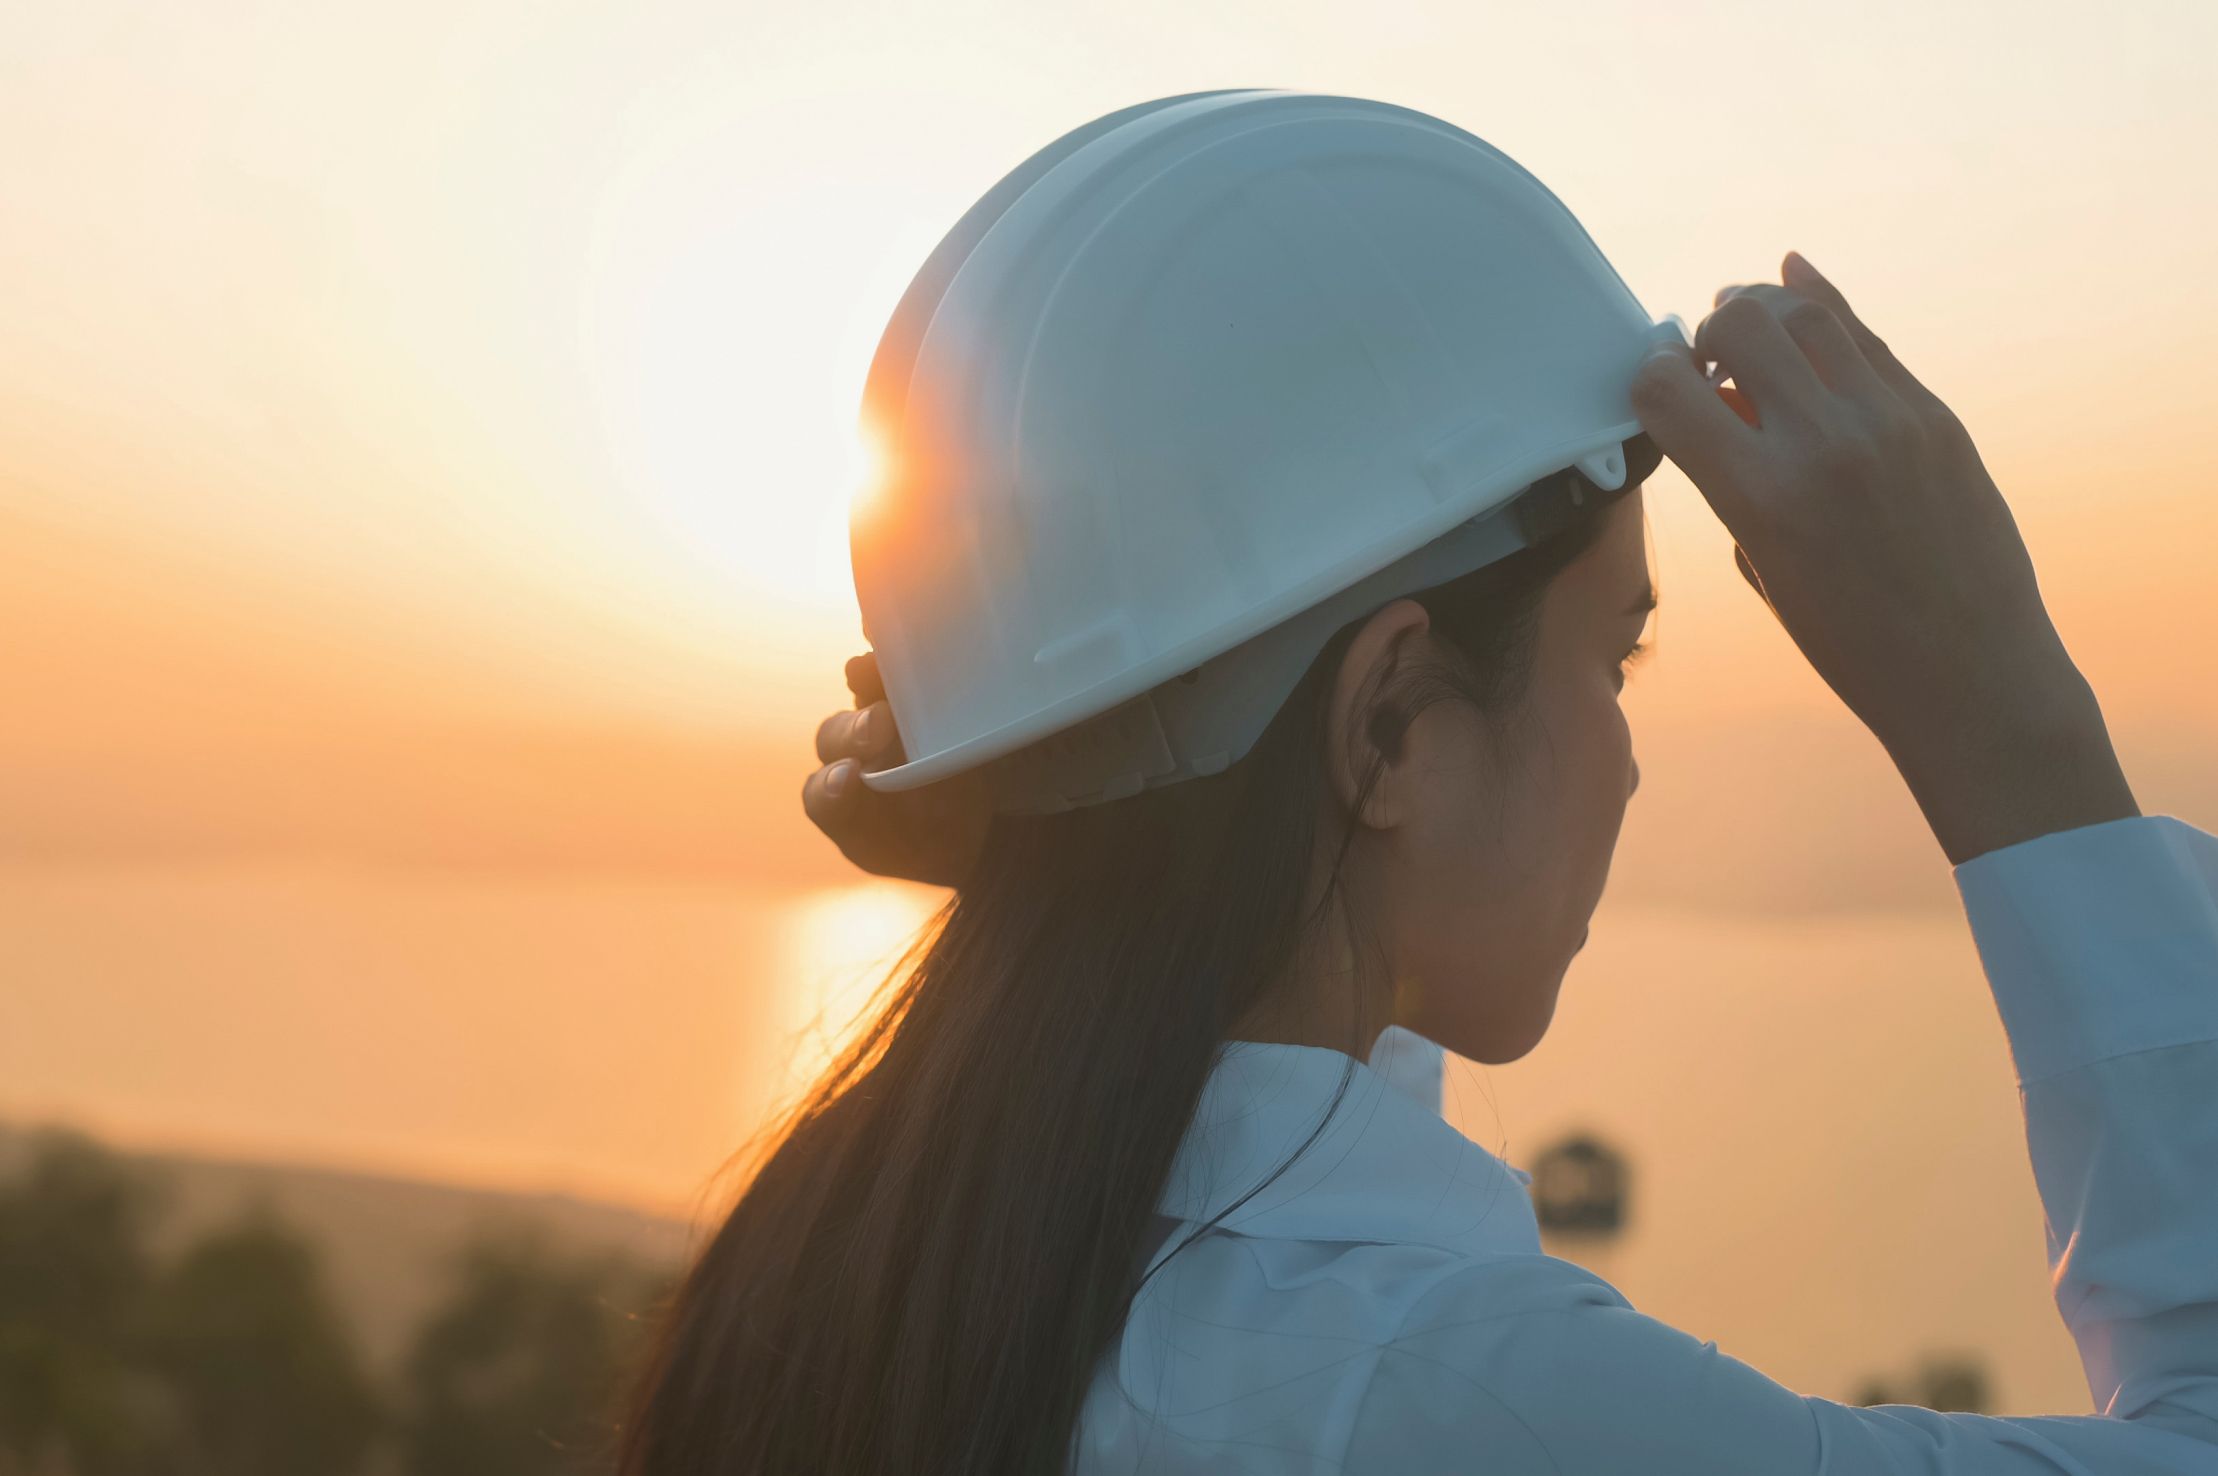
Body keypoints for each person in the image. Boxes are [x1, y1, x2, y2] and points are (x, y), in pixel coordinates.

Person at [622, 237, 2218, 1470]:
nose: (1627, 755)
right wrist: (2009, 728)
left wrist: (1092, 848)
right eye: (1613, 661)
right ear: (1389, 724)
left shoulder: (851, 1247)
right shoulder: (1439, 1398)